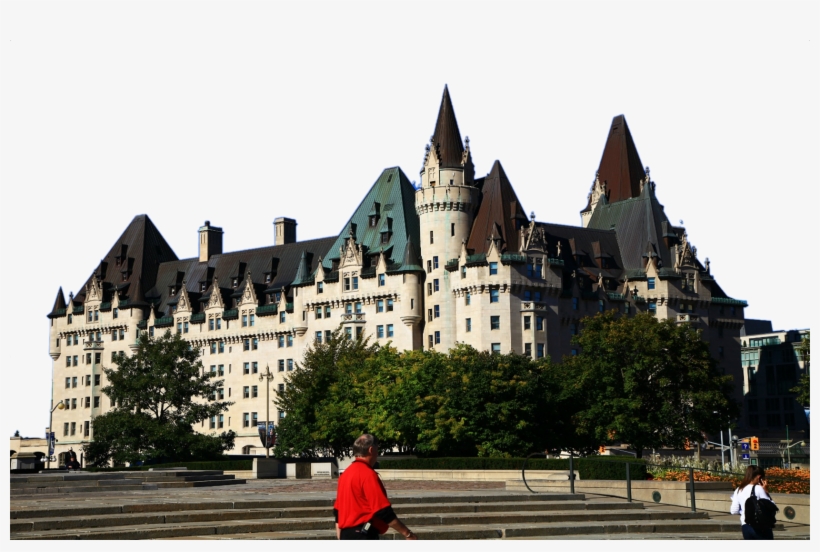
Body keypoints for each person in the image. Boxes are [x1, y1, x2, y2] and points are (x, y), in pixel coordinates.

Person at [333, 434, 417, 540]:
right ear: (371, 450)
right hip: (364, 535)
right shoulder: (367, 474)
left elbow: (337, 511)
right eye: (377, 449)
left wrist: (340, 537)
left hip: (346, 534)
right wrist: (407, 534)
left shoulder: (345, 474)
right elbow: (383, 510)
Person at [730, 465, 775, 540]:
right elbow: (772, 507)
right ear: (759, 477)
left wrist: (745, 511)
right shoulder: (758, 488)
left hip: (745, 527)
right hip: (760, 527)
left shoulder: (738, 489)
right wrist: (766, 491)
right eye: (763, 478)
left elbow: (733, 511)